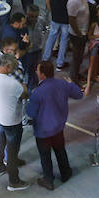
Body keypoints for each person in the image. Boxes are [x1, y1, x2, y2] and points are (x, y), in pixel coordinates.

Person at [26, 61, 83, 190]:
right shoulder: (62, 84)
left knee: (45, 156)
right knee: (60, 150)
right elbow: (79, 95)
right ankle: (65, 173)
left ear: (43, 75)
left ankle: (48, 180)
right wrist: (71, 83)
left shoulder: (38, 92)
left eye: (38, 71)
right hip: (58, 128)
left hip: (43, 131)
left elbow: (30, 113)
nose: (36, 72)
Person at [0, 53, 31, 191]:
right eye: (13, 67)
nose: (15, 70)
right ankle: (14, 181)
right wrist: (23, 85)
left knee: (0, 141)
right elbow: (25, 94)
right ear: (7, 67)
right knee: (12, 150)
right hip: (12, 121)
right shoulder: (13, 84)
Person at [44, 0, 75, 71]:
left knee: (51, 37)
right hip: (66, 19)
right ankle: (60, 64)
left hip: (55, 17)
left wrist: (52, 12)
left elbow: (47, 1)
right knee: (64, 40)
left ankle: (45, 59)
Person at [66, 0, 91, 84]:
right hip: (77, 34)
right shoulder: (73, 1)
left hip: (83, 32)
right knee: (76, 57)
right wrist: (79, 33)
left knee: (80, 56)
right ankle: (73, 77)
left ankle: (76, 74)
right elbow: (71, 19)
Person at [83, 5, 99, 95]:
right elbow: (89, 36)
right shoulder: (94, 24)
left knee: (97, 62)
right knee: (91, 64)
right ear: (97, 14)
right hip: (95, 45)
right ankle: (88, 84)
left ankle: (94, 76)